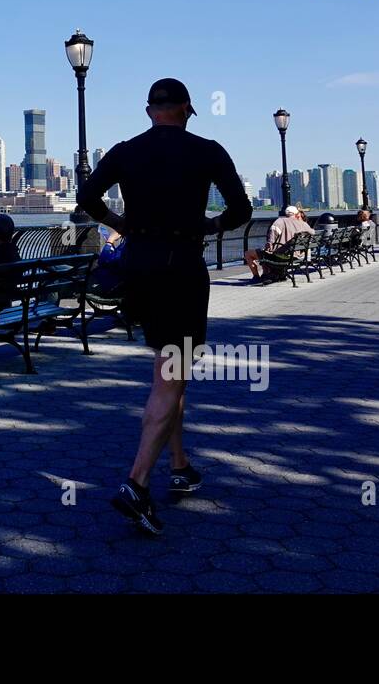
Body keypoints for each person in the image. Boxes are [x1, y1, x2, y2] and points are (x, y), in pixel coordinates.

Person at [77, 78, 251, 536]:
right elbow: (241, 210)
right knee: (170, 377)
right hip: (181, 269)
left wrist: (123, 224)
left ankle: (180, 464)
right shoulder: (207, 151)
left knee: (169, 370)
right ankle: (136, 484)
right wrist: (208, 225)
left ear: (149, 110)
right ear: (187, 110)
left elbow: (87, 199)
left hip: (140, 270)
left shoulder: (125, 150)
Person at [243, 205, 313, 280]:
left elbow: (271, 242)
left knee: (249, 254)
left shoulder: (280, 222)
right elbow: (312, 235)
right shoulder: (303, 225)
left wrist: (269, 247)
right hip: (297, 256)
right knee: (265, 253)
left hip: (283, 257)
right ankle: (269, 273)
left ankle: (256, 277)